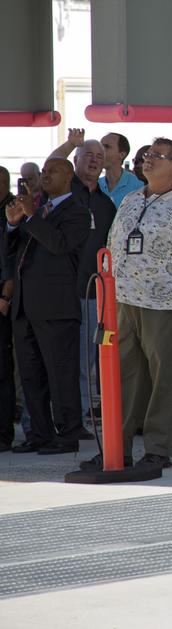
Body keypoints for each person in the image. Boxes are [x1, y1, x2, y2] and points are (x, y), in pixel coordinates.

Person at [94, 139, 172, 470]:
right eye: (147, 156)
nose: (148, 161)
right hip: (122, 302)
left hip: (163, 301)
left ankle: (158, 448)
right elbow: (113, 248)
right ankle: (116, 449)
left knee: (164, 378)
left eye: (157, 156)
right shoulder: (132, 200)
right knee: (124, 376)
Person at [4, 158, 91, 454]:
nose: (45, 176)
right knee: (31, 375)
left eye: (51, 171)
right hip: (26, 307)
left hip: (56, 308)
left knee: (61, 373)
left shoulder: (77, 211)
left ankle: (68, 435)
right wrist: (13, 225)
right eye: (43, 172)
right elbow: (14, 252)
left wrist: (30, 218)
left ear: (68, 176)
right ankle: (40, 434)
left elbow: (59, 244)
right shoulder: (38, 211)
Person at [64, 137, 115, 430]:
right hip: (65, 291)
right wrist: (71, 143)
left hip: (97, 293)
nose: (95, 160)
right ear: (76, 160)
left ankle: (86, 414)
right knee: (72, 360)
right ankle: (71, 418)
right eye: (88, 155)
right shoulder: (64, 194)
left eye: (100, 156)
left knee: (92, 360)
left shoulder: (106, 205)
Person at [0, 167, 15, 452]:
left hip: (2, 295)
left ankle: (3, 434)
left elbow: (12, 257)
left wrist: (5, 293)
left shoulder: (14, 209)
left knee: (2, 369)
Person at [98, 132, 146, 208]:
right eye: (99, 146)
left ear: (122, 154)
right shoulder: (95, 185)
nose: (100, 150)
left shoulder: (138, 186)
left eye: (107, 147)